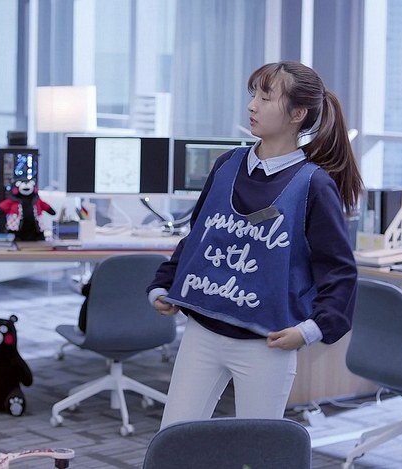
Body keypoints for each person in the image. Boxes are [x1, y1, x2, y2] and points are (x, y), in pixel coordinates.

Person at [148, 61, 362, 429]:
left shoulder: (314, 185)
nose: (252, 106)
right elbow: (199, 235)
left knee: (257, 449)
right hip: (203, 330)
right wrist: (164, 283)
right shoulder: (227, 164)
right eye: (254, 96)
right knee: (173, 439)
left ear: (297, 113)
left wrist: (311, 329)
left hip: (267, 343)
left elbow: (339, 270)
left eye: (266, 98)